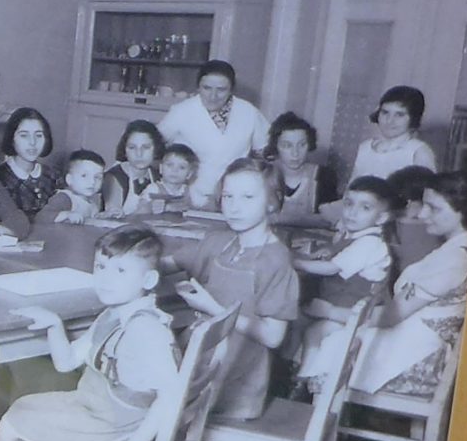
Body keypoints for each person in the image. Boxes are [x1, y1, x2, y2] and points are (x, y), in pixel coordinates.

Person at [0, 226, 180, 441]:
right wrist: (54, 324)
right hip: (98, 410)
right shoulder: (113, 314)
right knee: (21, 406)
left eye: (120, 270)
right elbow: (66, 362)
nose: (106, 279)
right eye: (100, 267)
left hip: (117, 431)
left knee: (11, 421)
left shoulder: (145, 328)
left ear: (149, 280)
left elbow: (171, 397)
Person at [173, 159, 301, 421]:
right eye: (228, 196)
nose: (234, 206)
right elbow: (174, 260)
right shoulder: (222, 241)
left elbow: (274, 337)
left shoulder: (275, 259)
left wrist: (215, 310)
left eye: (247, 197)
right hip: (206, 357)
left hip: (236, 377)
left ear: (272, 202)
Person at [359, 169, 467, 396]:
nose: (422, 214)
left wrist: (342, 315)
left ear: (463, 210)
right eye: (424, 205)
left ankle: (314, 423)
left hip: (416, 362)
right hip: (417, 347)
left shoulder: (454, 259)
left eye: (434, 208)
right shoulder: (460, 249)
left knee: (328, 339)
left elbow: (390, 317)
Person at [293, 176, 399, 392]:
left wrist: (295, 262)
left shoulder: (370, 243)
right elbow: (342, 254)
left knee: (314, 331)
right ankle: (298, 374)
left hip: (350, 313)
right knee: (301, 326)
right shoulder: (356, 235)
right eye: (349, 204)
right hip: (341, 306)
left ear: (382, 217)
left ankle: (304, 383)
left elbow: (332, 268)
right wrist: (327, 251)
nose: (352, 212)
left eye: (365, 207)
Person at [159, 60, 273, 209]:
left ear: (231, 89)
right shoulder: (181, 112)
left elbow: (266, 153)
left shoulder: (248, 112)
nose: (213, 96)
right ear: (198, 87)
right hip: (189, 197)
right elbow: (155, 147)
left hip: (234, 197)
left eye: (221, 89)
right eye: (207, 88)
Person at [350, 86, 438, 184]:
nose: (390, 121)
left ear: (413, 118)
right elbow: (351, 188)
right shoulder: (364, 148)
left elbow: (425, 193)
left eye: (399, 115)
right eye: (385, 113)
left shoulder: (418, 151)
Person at [265, 112, 339, 224]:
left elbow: (329, 220)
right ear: (276, 146)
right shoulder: (264, 173)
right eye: (287, 145)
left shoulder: (324, 176)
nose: (295, 153)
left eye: (302, 145)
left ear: (310, 144)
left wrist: (280, 219)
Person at [0, 108, 60, 218]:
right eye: (24, 135)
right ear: (11, 139)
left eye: (38, 135)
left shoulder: (52, 176)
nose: (32, 142)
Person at [101, 121, 165, 215]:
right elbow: (113, 217)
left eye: (146, 147)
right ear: (124, 151)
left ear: (156, 149)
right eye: (132, 147)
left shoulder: (157, 176)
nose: (139, 154)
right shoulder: (113, 177)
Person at [46, 151, 107, 225]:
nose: (92, 182)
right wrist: (66, 215)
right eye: (84, 175)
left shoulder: (93, 204)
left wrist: (103, 216)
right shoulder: (65, 197)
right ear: (69, 179)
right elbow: (42, 216)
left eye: (97, 177)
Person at [151, 145, 201, 216]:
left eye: (181, 167)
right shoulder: (153, 189)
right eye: (170, 165)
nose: (174, 170)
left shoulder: (188, 191)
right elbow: (141, 210)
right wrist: (164, 207)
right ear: (161, 168)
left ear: (189, 174)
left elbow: (198, 208)